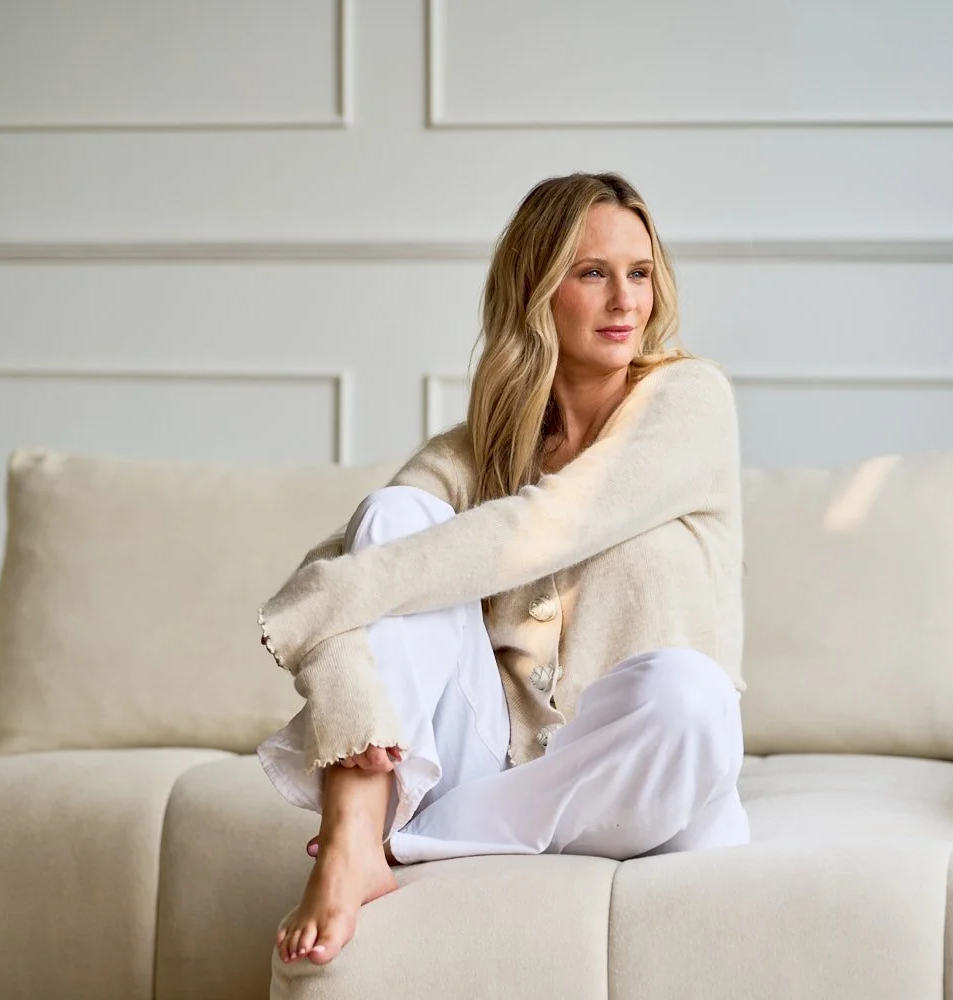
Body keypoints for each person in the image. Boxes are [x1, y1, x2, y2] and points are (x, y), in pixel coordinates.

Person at [256, 172, 748, 967]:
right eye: (594, 274)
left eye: (640, 272)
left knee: (688, 695)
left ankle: (408, 841)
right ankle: (355, 837)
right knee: (395, 518)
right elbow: (355, 558)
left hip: (646, 768)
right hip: (501, 764)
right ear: (537, 289)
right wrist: (350, 712)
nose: (626, 300)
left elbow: (536, 529)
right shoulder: (481, 444)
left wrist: (319, 603)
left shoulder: (690, 400)